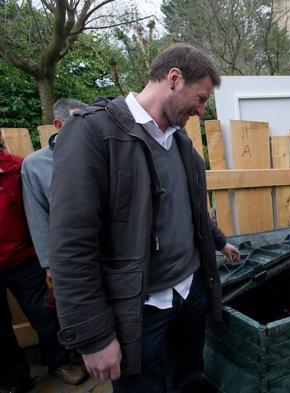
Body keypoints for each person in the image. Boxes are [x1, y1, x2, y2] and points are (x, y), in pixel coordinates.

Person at [48, 43, 240, 392]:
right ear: (174, 78)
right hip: (140, 309)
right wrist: (93, 336)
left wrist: (220, 241)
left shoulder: (180, 141)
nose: (200, 111)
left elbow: (192, 211)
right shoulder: (93, 135)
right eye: (199, 99)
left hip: (190, 293)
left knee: (188, 379)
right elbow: (70, 246)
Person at [0, 136, 86, 393]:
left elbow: (37, 211)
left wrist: (47, 259)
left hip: (24, 260)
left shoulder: (17, 168)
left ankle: (58, 362)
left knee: (45, 315)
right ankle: (13, 378)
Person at [21, 98, 88, 274]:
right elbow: (37, 216)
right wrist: (49, 264)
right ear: (58, 124)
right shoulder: (35, 164)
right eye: (78, 122)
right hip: (69, 257)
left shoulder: (99, 154)